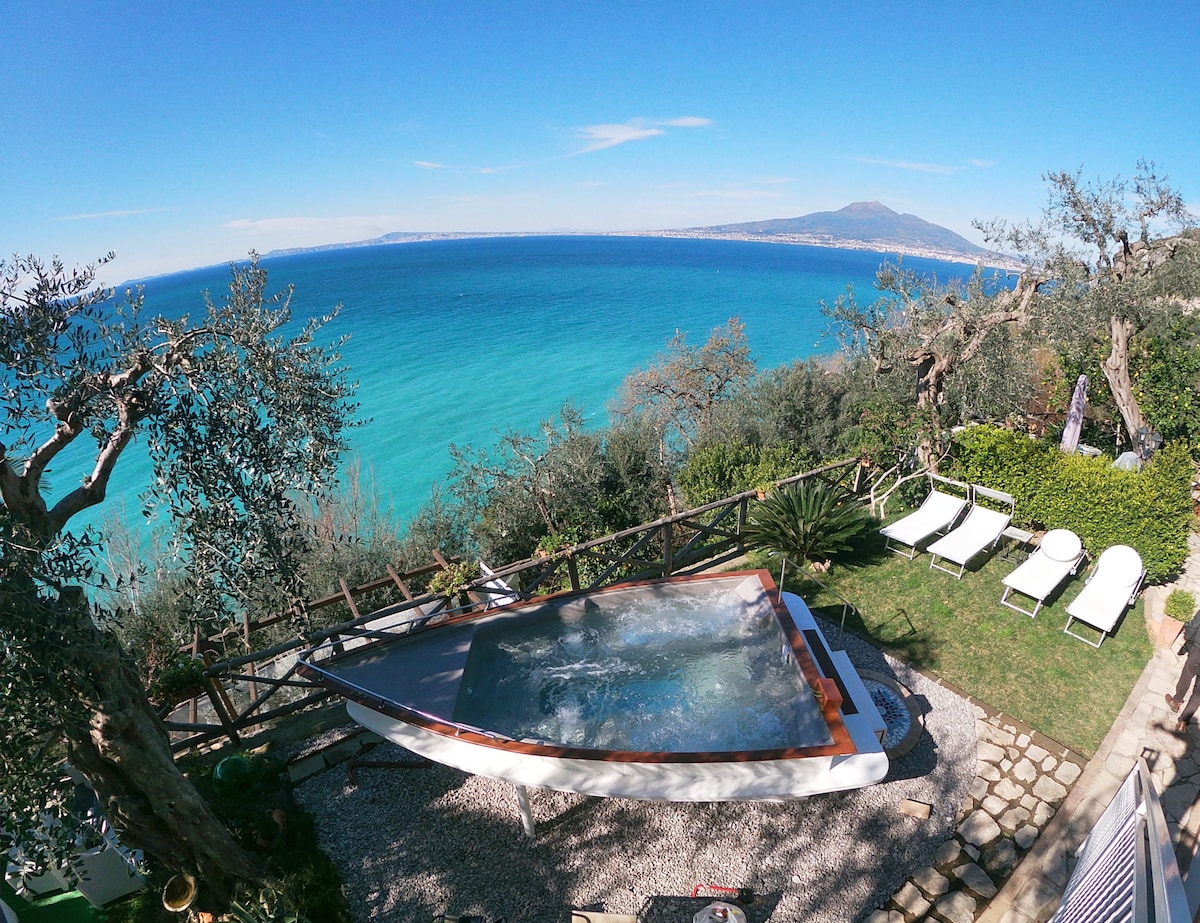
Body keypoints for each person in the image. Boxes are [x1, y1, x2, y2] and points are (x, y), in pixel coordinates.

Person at [1165, 609, 1200, 732]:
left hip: (1198, 650)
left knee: (1187, 674)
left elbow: (1195, 624)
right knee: (1199, 693)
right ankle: (1183, 721)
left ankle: (1176, 701)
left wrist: (1187, 637)